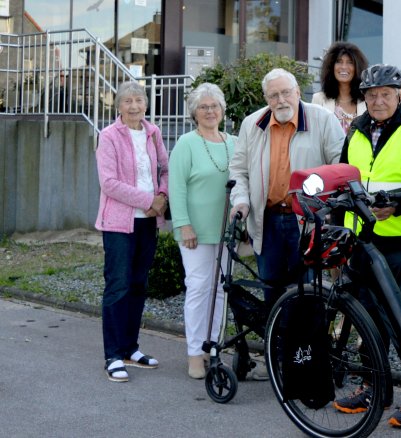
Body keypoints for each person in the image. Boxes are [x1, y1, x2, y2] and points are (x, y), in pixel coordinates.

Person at [331, 64, 401, 429]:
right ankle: (373, 385)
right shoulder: (357, 130)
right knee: (367, 318)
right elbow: (346, 179)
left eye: (386, 94)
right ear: (364, 98)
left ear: (400, 95)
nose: (378, 100)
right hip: (362, 239)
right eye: (372, 94)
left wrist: (398, 206)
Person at [228, 68, 345, 309]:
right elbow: (238, 170)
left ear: (298, 92)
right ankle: (278, 344)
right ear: (266, 99)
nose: (280, 100)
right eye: (273, 95)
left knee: (309, 290)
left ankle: (308, 345)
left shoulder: (322, 119)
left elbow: (340, 166)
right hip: (266, 220)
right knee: (272, 290)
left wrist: (329, 207)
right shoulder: (252, 124)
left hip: (307, 221)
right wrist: (241, 200)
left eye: (286, 93)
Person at [94, 80, 169, 383]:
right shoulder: (108, 136)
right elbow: (109, 183)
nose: (134, 106)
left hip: (147, 221)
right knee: (118, 286)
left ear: (146, 104)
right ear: (118, 106)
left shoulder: (153, 133)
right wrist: (149, 200)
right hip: (118, 223)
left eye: (139, 100)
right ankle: (112, 354)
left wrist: (162, 197)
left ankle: (130, 348)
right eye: (128, 101)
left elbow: (165, 169)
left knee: (138, 284)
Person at [168, 83, 236, 380]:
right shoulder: (186, 143)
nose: (210, 111)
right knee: (198, 288)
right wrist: (183, 223)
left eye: (215, 106)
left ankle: (214, 348)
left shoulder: (234, 142)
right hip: (195, 231)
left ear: (223, 110)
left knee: (220, 290)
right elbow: (176, 187)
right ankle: (195, 353)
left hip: (226, 230)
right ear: (194, 112)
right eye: (204, 107)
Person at [312, 41, 369, 133]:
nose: (343, 67)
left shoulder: (368, 100)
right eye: (339, 62)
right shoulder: (319, 99)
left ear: (357, 68)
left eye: (350, 62)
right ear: (331, 67)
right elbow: (314, 135)